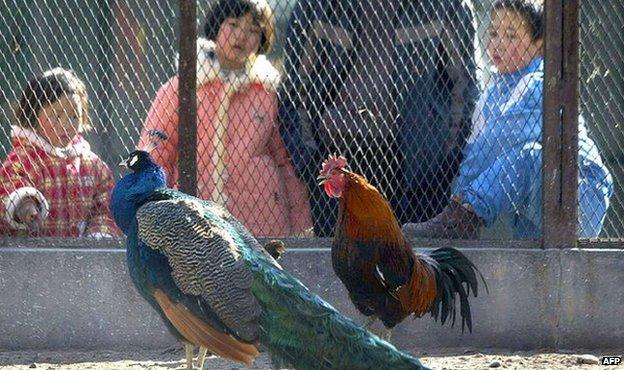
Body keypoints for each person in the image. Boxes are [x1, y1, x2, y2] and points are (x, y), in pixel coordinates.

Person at [402, 0, 613, 239]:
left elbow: (496, 141)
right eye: (493, 33)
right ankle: (460, 219)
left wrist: (463, 205)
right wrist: (458, 201)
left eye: (511, 36)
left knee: (529, 156)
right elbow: (473, 150)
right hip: (538, 198)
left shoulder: (540, 82)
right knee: (531, 257)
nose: (497, 44)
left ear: (539, 46)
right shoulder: (493, 93)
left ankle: (461, 219)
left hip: (581, 192)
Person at [278, 0, 478, 236]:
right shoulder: (318, 6)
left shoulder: (445, 5)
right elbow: (293, 89)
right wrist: (309, 161)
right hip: (335, 156)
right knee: (342, 262)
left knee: (410, 262)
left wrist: (448, 158)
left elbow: (465, 86)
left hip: (418, 165)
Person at [139, 0, 313, 237]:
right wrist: (151, 214)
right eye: (233, 24)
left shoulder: (268, 93)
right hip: (194, 220)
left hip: (262, 222)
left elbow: (285, 162)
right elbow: (156, 151)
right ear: (216, 26)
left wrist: (303, 228)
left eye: (253, 30)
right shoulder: (184, 87)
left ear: (262, 40)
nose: (241, 36)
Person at [0, 68, 120, 237]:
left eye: (73, 116)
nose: (66, 125)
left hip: (79, 257)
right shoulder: (25, 158)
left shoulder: (91, 164)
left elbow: (105, 205)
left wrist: (99, 234)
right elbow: (9, 184)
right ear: (32, 115)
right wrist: (23, 202)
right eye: (56, 115)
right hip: (31, 255)